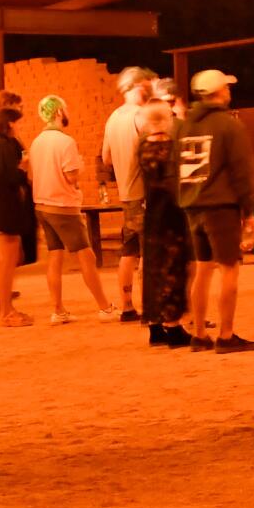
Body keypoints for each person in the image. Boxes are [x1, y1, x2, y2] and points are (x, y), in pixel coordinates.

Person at [177, 70, 254, 352]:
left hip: (192, 205)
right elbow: (242, 170)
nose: (229, 91)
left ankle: (199, 333)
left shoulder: (185, 125)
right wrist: (248, 211)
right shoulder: (228, 125)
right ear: (218, 92)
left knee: (202, 269)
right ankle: (226, 335)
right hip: (220, 206)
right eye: (226, 87)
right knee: (229, 270)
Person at [29, 96, 118, 324]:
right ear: (58, 112)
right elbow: (70, 177)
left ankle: (58, 310)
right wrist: (78, 167)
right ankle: (105, 308)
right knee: (86, 256)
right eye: (65, 108)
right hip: (63, 206)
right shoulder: (65, 142)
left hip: (42, 204)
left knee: (55, 256)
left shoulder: (36, 142)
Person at [136, 84, 193, 348]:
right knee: (173, 268)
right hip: (171, 214)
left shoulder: (143, 147)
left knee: (154, 269)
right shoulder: (169, 147)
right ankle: (174, 327)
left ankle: (155, 326)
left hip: (152, 215)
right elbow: (174, 183)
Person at [100, 67, 156, 322]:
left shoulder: (113, 117)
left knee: (128, 251)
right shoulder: (141, 116)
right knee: (149, 251)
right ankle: (150, 307)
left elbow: (106, 158)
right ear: (136, 87)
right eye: (146, 84)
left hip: (126, 195)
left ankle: (126, 306)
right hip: (144, 194)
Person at [0, 105, 35, 327]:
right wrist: (23, 168)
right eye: (17, 122)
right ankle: (5, 313)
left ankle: (7, 309)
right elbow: (7, 177)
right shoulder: (1, 144)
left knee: (7, 263)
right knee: (6, 263)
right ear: (9, 123)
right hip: (4, 211)